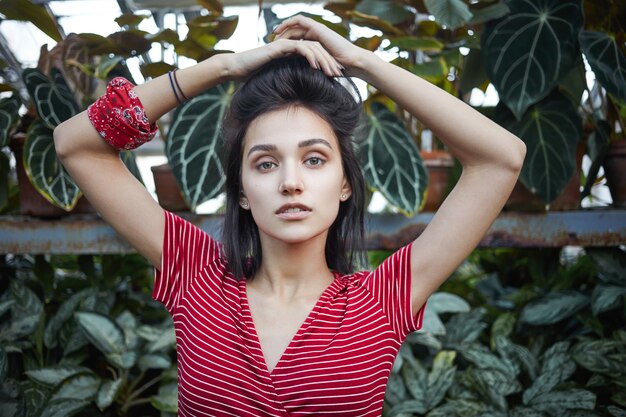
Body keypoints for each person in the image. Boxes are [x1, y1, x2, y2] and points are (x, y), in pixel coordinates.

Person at [54, 15, 526, 416]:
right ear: (241, 192)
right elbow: (77, 146)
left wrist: (361, 62)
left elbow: (501, 158)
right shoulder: (195, 274)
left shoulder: (382, 300)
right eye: (265, 163)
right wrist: (224, 67)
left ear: (345, 183)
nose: (290, 182)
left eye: (315, 159)